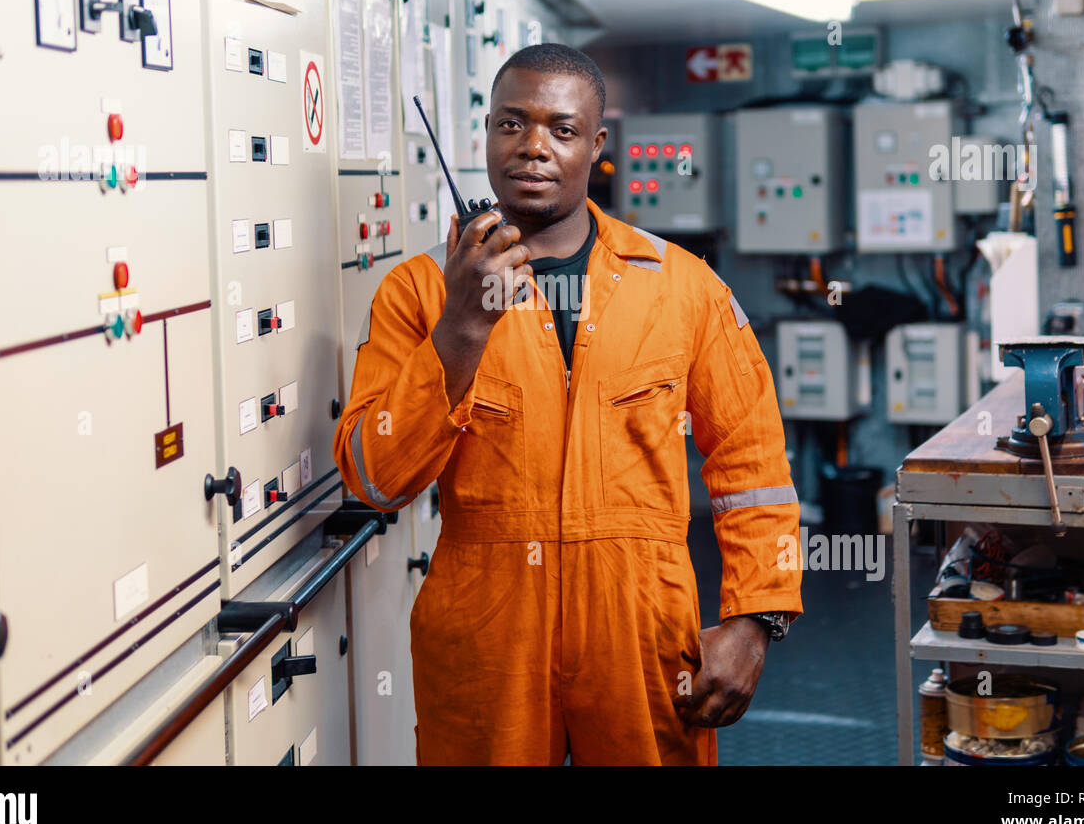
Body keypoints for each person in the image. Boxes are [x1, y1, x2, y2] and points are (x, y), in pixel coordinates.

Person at [333, 43, 802, 765]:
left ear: (597, 143)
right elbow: (373, 478)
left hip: (641, 632)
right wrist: (462, 325)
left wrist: (754, 618)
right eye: (511, 124)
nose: (533, 148)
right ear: (485, 133)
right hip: (489, 636)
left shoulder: (681, 286)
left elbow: (754, 463)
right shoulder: (420, 292)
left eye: (561, 128)